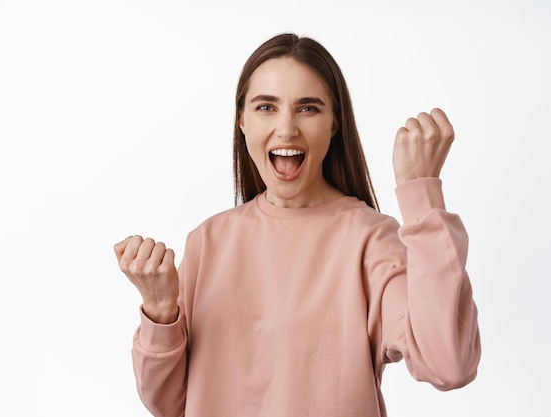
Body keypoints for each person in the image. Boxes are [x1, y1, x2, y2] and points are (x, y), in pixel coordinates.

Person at [113, 33, 481, 417]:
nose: (286, 128)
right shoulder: (208, 241)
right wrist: (159, 311)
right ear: (242, 121)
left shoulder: (370, 241)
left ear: (335, 123)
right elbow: (170, 405)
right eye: (266, 107)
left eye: (308, 109)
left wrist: (420, 196)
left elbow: (448, 364)